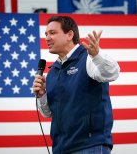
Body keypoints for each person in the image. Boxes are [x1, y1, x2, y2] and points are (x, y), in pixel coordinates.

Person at [32, 16, 120, 154]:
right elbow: (48, 113)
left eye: (52, 33)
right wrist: (42, 95)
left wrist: (97, 55)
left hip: (90, 146)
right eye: (46, 34)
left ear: (70, 34)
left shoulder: (89, 58)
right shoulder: (53, 72)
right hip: (61, 149)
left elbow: (112, 73)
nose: (47, 38)